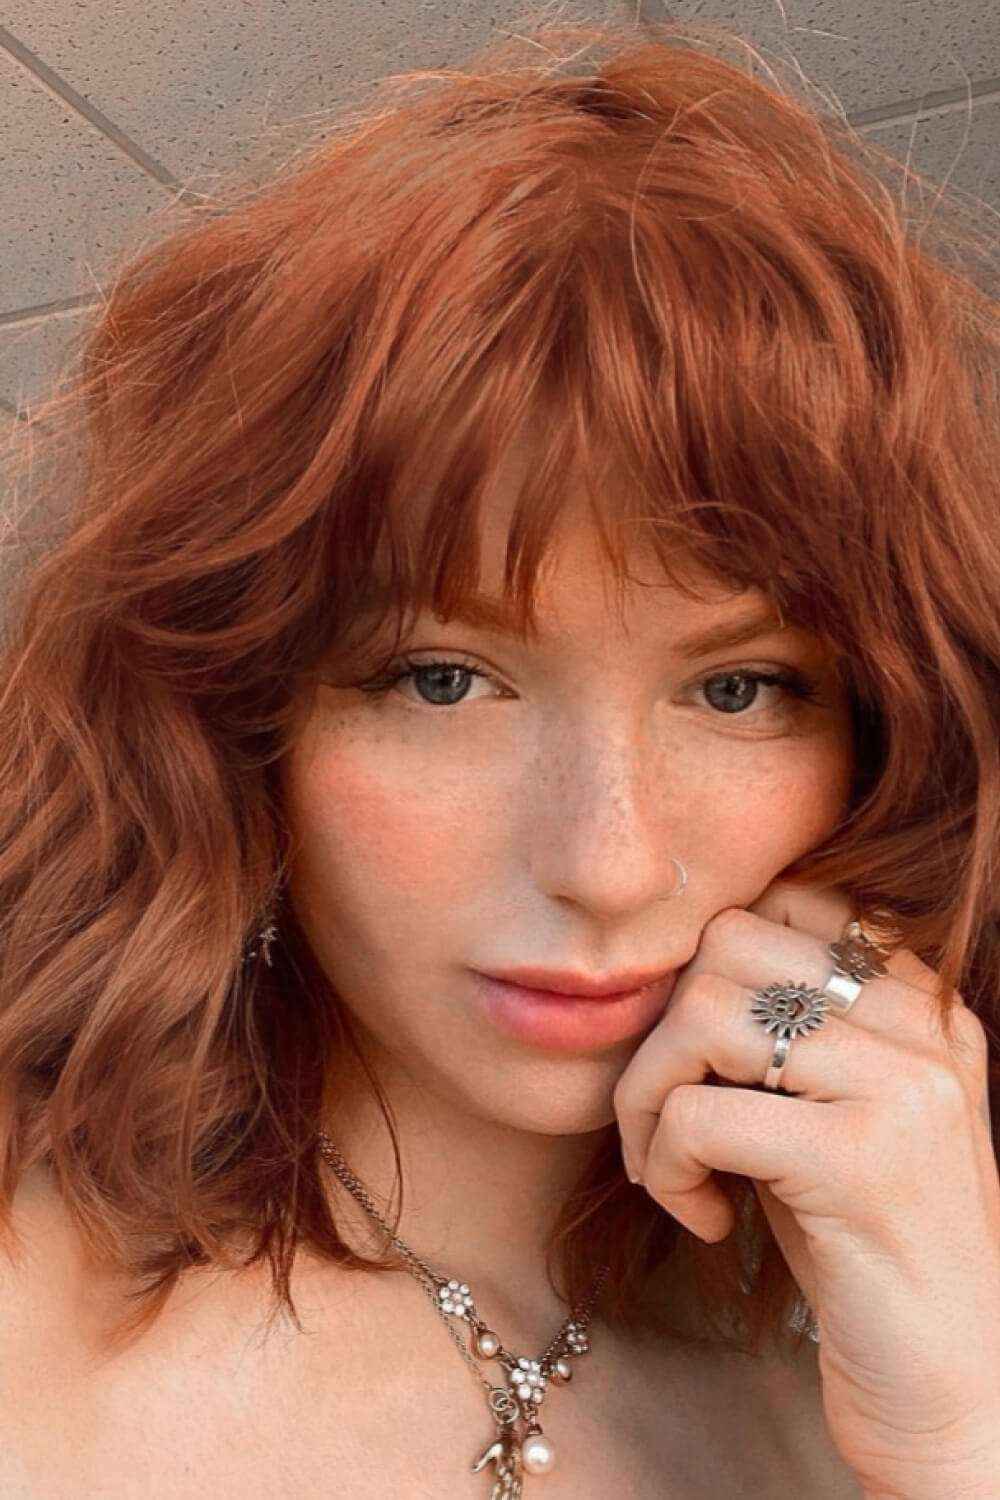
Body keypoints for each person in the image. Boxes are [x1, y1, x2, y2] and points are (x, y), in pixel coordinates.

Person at [0, 16, 997, 1499]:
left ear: (888, 740)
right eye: (444, 680)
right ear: (232, 716)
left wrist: (963, 1439)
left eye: (736, 690)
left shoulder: (892, 1362)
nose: (605, 862)